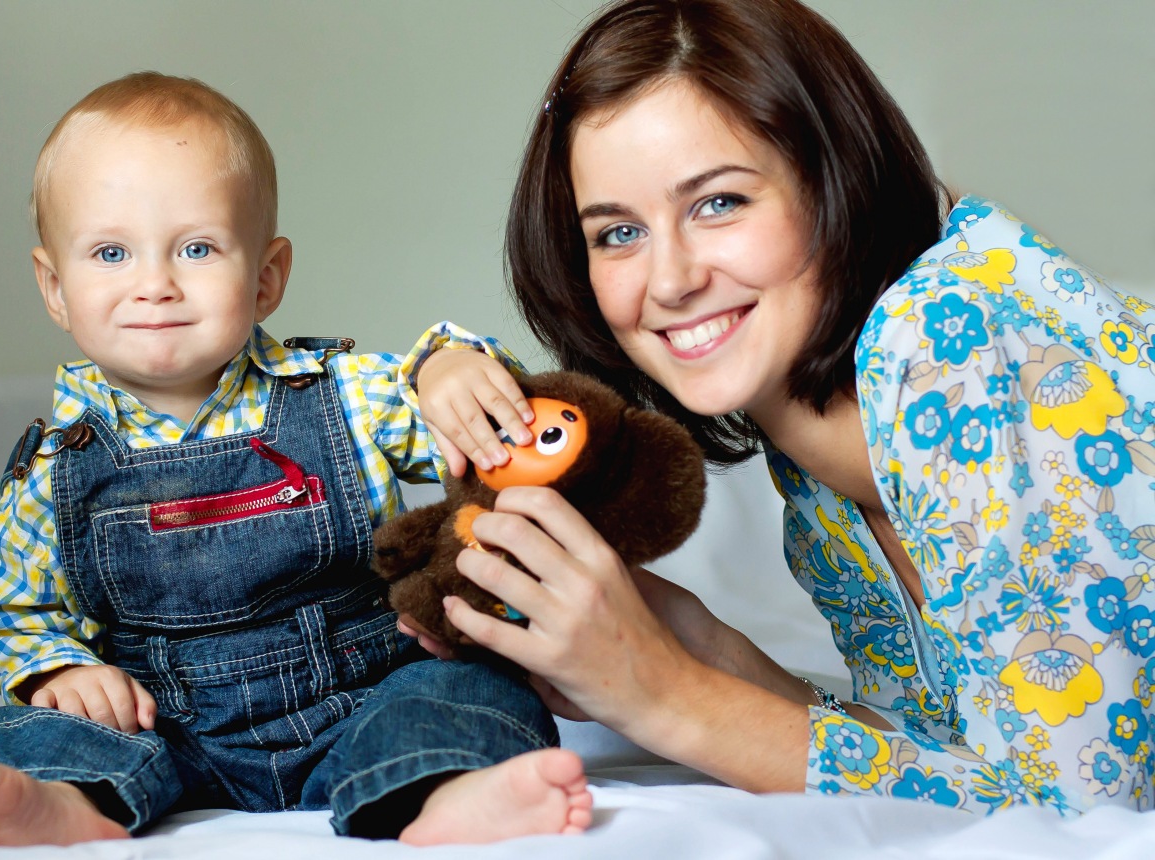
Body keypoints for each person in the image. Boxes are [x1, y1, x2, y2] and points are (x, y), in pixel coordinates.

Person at [408, 0, 1155, 816]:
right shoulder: (810, 463)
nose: (670, 281)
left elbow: (1081, 817)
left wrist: (664, 694)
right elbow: (960, 763)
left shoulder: (950, 336)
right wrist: (697, 645)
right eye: (618, 233)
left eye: (718, 203)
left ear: (834, 181)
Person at [0, 71, 592, 846]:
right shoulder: (60, 465)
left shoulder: (344, 396)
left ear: (266, 278)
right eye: (111, 252)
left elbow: (497, 442)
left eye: (197, 248)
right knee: (44, 731)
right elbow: (3, 594)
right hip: (162, 725)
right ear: (55, 287)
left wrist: (449, 367)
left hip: (362, 695)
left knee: (464, 685)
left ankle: (445, 787)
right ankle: (65, 802)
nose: (155, 285)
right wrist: (58, 671)